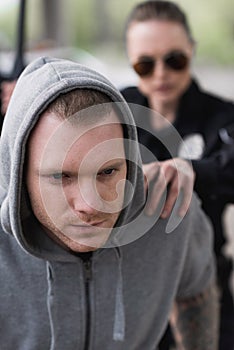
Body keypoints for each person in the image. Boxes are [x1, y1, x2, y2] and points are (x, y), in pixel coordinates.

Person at [0, 56, 218, 349]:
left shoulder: (168, 209)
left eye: (108, 171)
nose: (91, 205)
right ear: (18, 172)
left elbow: (196, 291)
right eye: (61, 176)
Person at [121, 1, 234, 349]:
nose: (160, 74)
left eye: (174, 60)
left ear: (192, 50)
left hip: (204, 283)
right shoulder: (115, 109)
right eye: (144, 63)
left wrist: (192, 170)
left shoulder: (222, 116)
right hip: (129, 292)